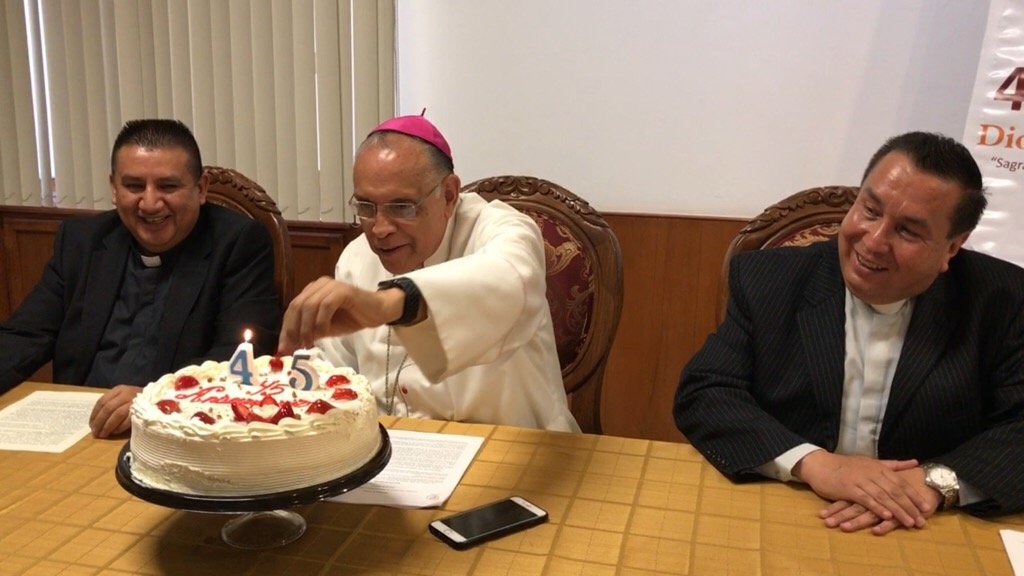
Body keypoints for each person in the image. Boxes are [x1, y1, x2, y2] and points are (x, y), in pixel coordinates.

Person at [674, 131, 1024, 535]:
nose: (873, 242)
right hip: (789, 508)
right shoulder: (771, 279)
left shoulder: (1003, 300)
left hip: (923, 525)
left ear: (951, 247)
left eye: (907, 231)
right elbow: (705, 391)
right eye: (870, 210)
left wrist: (935, 482)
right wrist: (815, 464)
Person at [279, 114, 579, 432]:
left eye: (402, 207)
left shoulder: (502, 229)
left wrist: (386, 305)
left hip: (512, 443)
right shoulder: (357, 257)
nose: (379, 229)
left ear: (448, 195)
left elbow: (510, 279)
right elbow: (337, 376)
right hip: (394, 446)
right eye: (366, 206)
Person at [0, 119, 282, 437]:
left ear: (201, 188)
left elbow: (240, 355)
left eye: (168, 186)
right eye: (134, 186)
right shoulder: (82, 241)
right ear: (114, 188)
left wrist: (155, 398)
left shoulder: (238, 242)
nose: (149, 203)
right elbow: (25, 335)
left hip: (178, 430)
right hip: (80, 427)